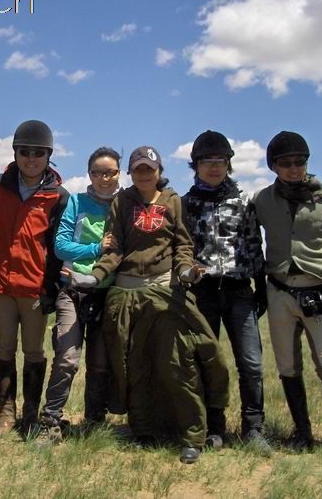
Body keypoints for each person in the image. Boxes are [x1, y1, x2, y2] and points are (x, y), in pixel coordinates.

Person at [65, 146, 229, 464]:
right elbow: (114, 248)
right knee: (135, 367)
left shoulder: (173, 201)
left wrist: (185, 270)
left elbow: (182, 244)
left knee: (177, 364)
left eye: (149, 168)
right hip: (126, 296)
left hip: (165, 293)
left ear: (158, 170)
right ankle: (143, 432)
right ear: (131, 172)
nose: (143, 173)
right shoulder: (121, 201)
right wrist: (94, 277)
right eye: (138, 168)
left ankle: (192, 435)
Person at [253, 131, 322, 454]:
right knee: (287, 365)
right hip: (279, 292)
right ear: (273, 165)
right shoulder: (262, 200)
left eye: (299, 161)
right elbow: (246, 234)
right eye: (285, 163)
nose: (293, 168)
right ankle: (303, 434)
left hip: (318, 292)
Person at [181, 130, 271, 453]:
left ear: (229, 164)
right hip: (202, 293)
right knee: (207, 360)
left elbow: (253, 245)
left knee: (251, 362)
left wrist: (260, 289)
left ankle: (254, 428)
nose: (214, 168)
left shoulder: (244, 202)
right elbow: (182, 249)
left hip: (238, 291)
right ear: (196, 166)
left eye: (221, 161)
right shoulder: (186, 204)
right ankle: (213, 427)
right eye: (207, 162)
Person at [0, 119, 69, 436]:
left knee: (34, 352)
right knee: (4, 348)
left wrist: (51, 288)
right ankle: (6, 415)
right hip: (1, 285)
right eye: (25, 151)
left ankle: (31, 414)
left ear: (48, 156)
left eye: (38, 153)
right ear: (15, 153)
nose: (31, 158)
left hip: (34, 288)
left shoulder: (58, 197)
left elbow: (57, 247)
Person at [36, 147, 121, 445]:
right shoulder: (76, 201)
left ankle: (94, 422)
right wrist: (96, 249)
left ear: (118, 174)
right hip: (72, 291)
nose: (103, 178)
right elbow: (60, 247)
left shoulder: (125, 205)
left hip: (107, 293)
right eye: (97, 172)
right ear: (89, 175)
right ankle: (50, 422)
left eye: (109, 172)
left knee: (100, 363)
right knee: (68, 358)